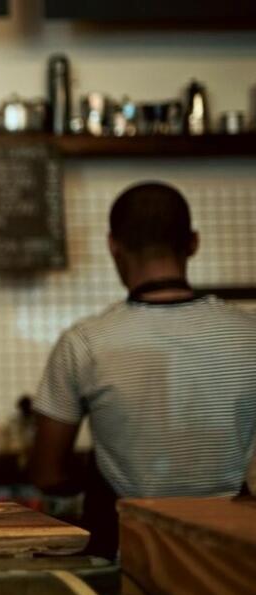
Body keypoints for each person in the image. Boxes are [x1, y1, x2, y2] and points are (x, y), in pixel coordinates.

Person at [30, 181, 256, 558]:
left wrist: (113, 463)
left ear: (113, 246)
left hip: (134, 559)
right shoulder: (250, 335)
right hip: (237, 558)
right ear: (193, 243)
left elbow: (46, 474)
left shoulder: (85, 343)